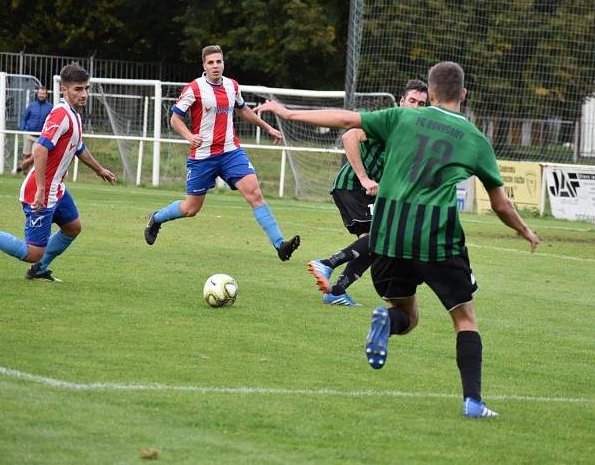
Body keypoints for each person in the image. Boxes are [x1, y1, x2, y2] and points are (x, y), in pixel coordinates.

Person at [256, 61, 539, 419]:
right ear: (463, 94)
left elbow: (345, 121)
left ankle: (386, 323)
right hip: (436, 237)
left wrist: (288, 113)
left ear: (431, 94)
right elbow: (500, 203)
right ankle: (473, 401)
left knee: (407, 314)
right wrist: (523, 229)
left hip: (388, 235)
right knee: (465, 319)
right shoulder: (474, 139)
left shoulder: (401, 117)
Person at [0, 64, 116, 281]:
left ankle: (39, 270)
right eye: (78, 89)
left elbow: (78, 147)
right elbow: (39, 149)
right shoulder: (61, 115)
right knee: (33, 253)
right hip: (40, 191)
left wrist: (99, 169)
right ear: (64, 90)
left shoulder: (74, 114)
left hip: (56, 189)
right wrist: (40, 189)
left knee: (73, 228)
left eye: (86, 88)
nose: (84, 94)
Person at [144, 45, 300, 261]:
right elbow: (175, 118)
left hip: (230, 152)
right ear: (204, 66)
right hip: (203, 157)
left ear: (223, 63)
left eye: (219, 61)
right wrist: (190, 136)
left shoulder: (232, 86)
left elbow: (243, 110)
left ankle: (280, 245)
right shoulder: (194, 88)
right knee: (191, 208)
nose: (215, 66)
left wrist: (267, 127)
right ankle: (157, 218)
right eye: (211, 62)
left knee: (254, 193)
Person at [307, 79, 429, 307]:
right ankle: (326, 263)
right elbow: (349, 137)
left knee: (373, 246)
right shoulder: (386, 123)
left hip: (366, 193)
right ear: (402, 101)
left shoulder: (412, 135)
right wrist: (364, 178)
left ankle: (337, 291)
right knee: (383, 238)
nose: (416, 107)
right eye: (412, 101)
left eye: (421, 103)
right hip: (353, 186)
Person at [17, 86, 53, 173]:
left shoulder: (50, 107)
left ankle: (22, 167)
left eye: (43, 94)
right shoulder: (31, 106)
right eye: (40, 93)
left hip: (40, 136)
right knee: (27, 154)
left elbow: (51, 121)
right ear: (37, 94)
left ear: (46, 95)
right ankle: (25, 173)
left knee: (35, 156)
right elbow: (25, 118)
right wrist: (23, 129)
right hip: (28, 134)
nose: (41, 95)